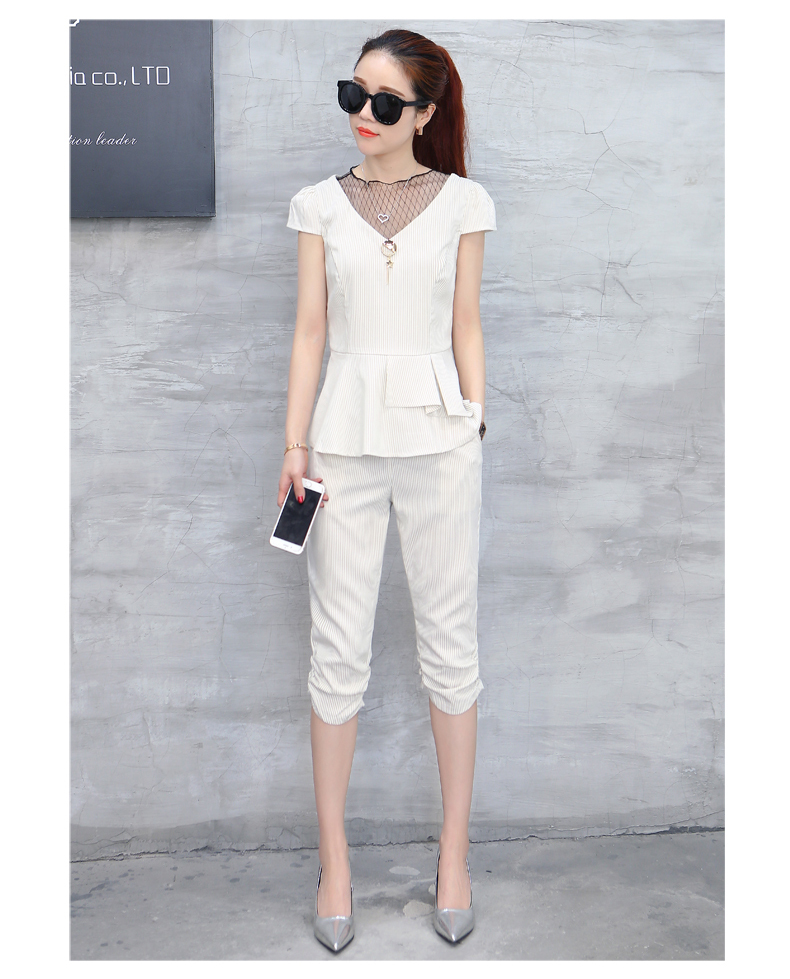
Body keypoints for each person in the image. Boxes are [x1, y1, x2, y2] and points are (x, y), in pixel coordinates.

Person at [279, 28, 496, 952]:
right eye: (353, 95)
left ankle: (454, 854)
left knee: (451, 645)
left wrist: (475, 417)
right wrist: (294, 444)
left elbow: (466, 323)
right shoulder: (317, 204)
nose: (363, 115)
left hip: (441, 437)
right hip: (343, 440)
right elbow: (309, 331)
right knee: (337, 651)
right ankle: (334, 862)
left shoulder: (465, 202)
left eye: (385, 102)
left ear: (425, 113)